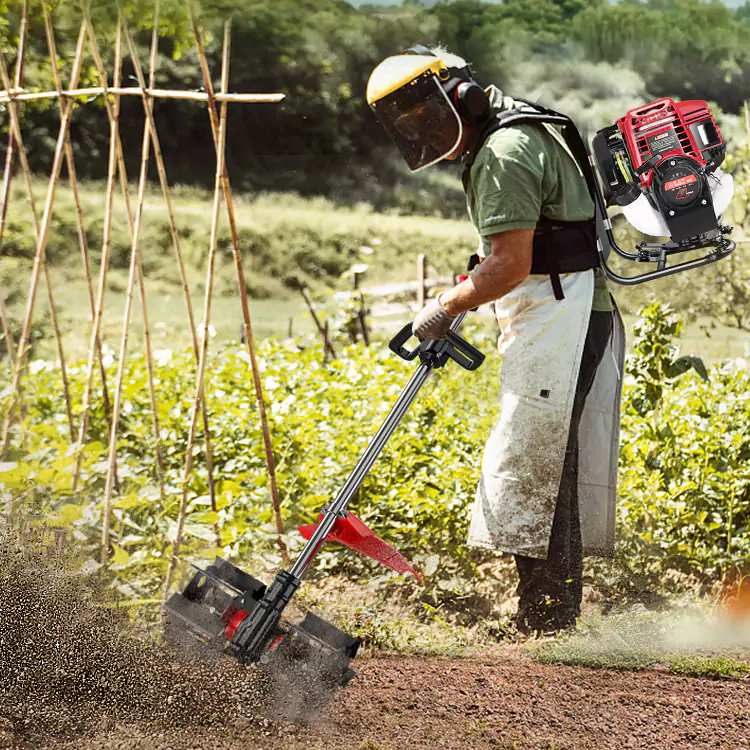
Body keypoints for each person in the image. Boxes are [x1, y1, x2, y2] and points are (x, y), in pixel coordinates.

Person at [366, 46, 625, 634]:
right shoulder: (521, 126)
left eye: (430, 117)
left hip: (564, 316)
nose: (429, 135)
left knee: (540, 463)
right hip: (567, 309)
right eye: (413, 127)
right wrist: (476, 278)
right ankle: (549, 616)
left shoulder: (504, 153)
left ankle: (547, 623)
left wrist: (445, 304)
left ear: (461, 96)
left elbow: (509, 265)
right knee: (543, 460)